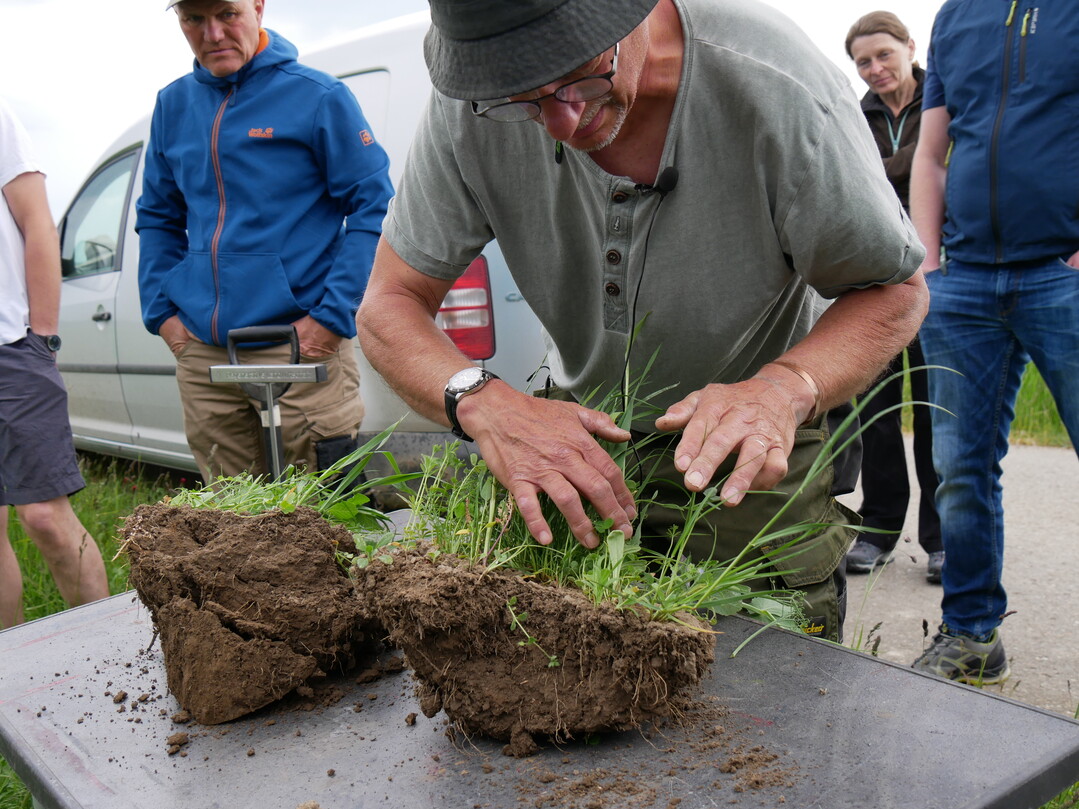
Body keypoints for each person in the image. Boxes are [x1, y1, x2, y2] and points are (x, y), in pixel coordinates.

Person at [356, 0, 928, 643]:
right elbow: (389, 303)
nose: (561, 123)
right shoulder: (475, 94)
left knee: (768, 691)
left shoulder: (778, 86)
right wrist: (483, 402)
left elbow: (894, 289)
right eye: (523, 101)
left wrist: (783, 388)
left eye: (580, 77)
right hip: (574, 455)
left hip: (748, 459)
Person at [136, 0, 393, 481]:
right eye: (194, 19)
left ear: (257, 6)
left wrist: (331, 318)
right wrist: (162, 315)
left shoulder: (319, 96)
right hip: (205, 354)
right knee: (228, 515)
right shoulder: (173, 105)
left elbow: (374, 207)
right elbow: (157, 216)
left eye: (227, 14)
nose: (212, 33)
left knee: (324, 508)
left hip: (299, 344)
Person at [909, 0, 1079, 683]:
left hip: (1061, 273)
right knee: (959, 469)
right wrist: (927, 266)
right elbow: (931, 151)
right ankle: (971, 634)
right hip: (964, 282)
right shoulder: (954, 17)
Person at [0, 98, 110, 629]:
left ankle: (106, 652)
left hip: (11, 347)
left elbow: (38, 223)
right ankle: (13, 668)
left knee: (44, 515)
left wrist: (42, 337)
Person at [843, 11, 943, 584]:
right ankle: (878, 529)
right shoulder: (853, 116)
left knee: (933, 414)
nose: (875, 68)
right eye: (863, 62)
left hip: (940, 276)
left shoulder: (945, 102)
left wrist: (890, 172)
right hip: (876, 280)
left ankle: (941, 539)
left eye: (884, 54)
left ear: (910, 46)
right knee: (876, 415)